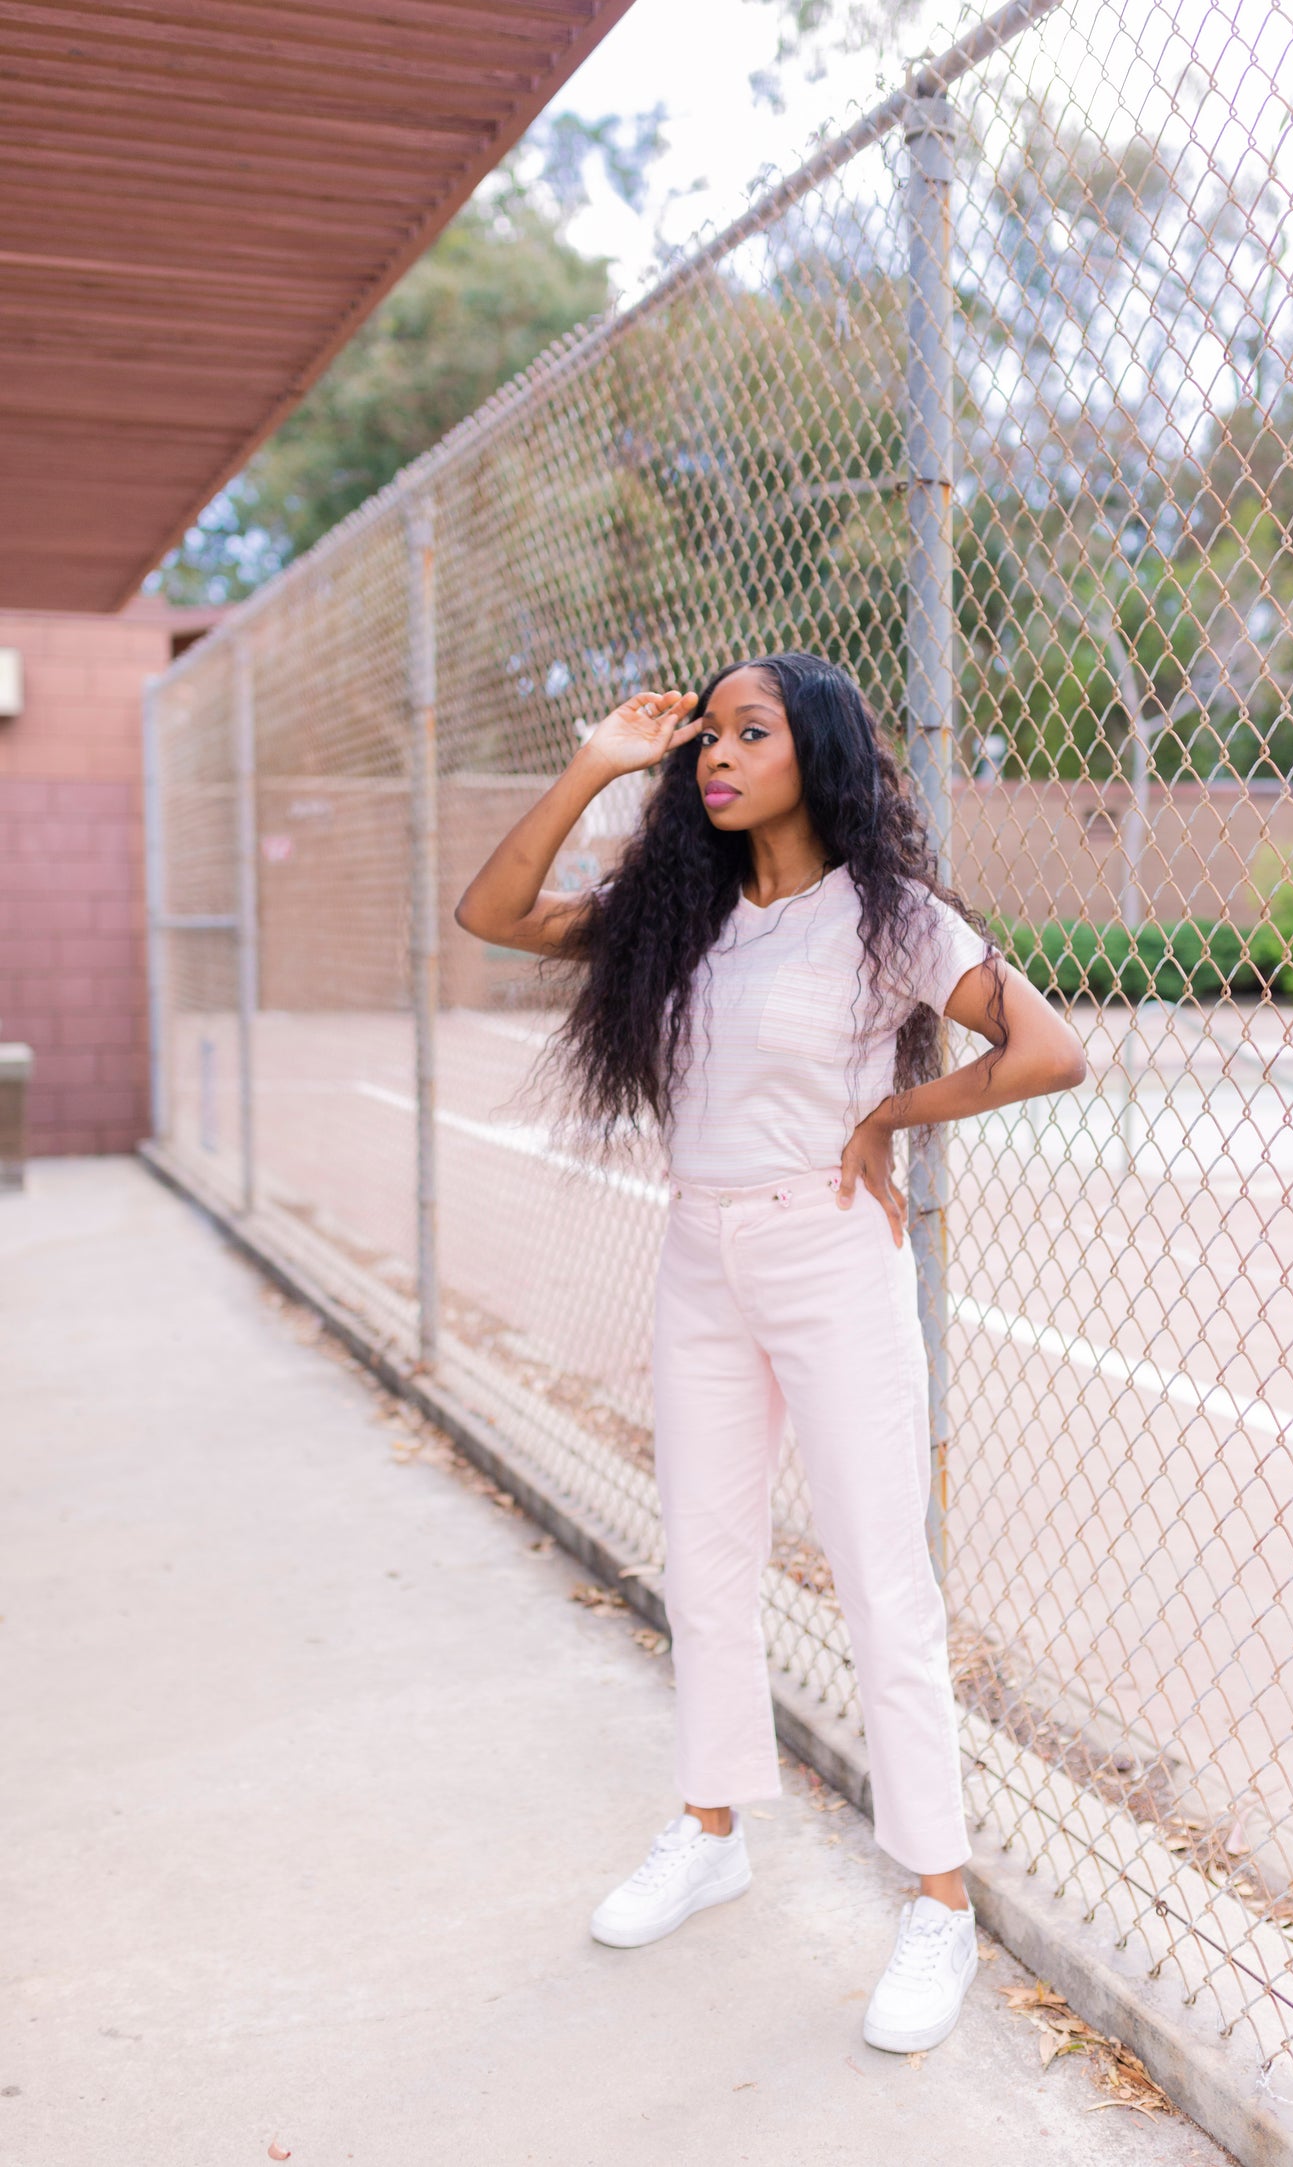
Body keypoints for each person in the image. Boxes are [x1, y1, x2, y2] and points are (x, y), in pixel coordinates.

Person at [455, 651, 1085, 2053]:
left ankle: (936, 1900)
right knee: (705, 1553)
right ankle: (710, 1827)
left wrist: (889, 1119)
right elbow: (489, 912)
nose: (718, 756)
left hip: (824, 1252)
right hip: (700, 1249)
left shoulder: (888, 919)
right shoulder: (672, 915)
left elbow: (1048, 1049)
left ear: (820, 752)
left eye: (752, 732)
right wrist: (596, 765)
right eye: (707, 740)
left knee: (879, 1576)